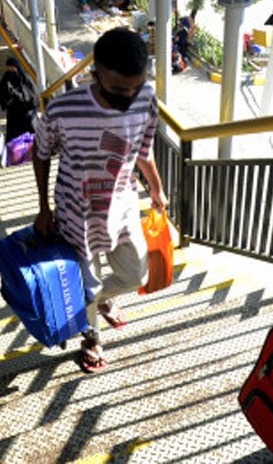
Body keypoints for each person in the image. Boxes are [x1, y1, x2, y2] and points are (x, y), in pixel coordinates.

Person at [32, 28, 167, 373]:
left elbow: (142, 150)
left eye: (135, 87)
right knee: (85, 282)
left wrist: (156, 186)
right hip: (77, 213)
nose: (129, 96)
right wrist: (44, 207)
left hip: (122, 206)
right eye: (119, 89)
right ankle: (91, 337)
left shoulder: (146, 99)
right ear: (96, 75)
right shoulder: (64, 109)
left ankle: (98, 302)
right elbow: (41, 152)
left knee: (135, 275)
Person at [0, 57, 37, 140]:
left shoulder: (24, 77)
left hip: (25, 110)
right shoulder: (7, 75)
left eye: (11, 68)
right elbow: (0, 90)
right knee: (14, 134)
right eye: (8, 68)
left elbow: (29, 95)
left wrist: (15, 93)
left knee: (30, 130)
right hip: (14, 111)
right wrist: (7, 100)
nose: (10, 70)